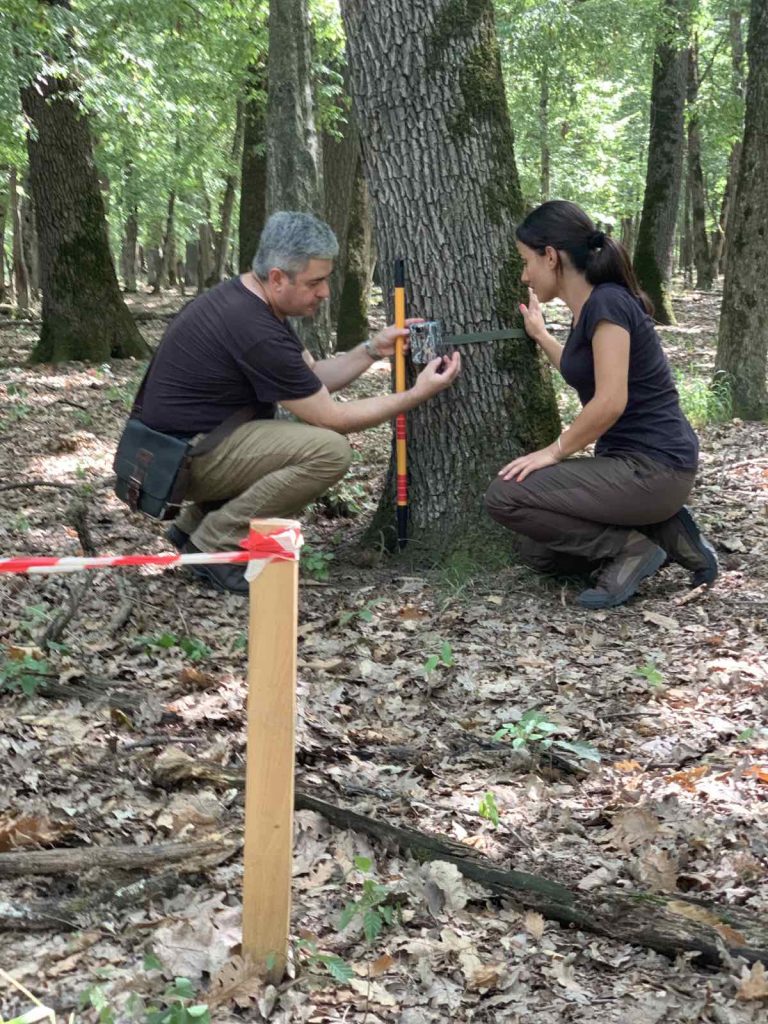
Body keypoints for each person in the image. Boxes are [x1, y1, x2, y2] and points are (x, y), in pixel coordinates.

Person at [137, 210, 461, 594]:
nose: (325, 293)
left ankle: (193, 528)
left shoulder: (250, 301)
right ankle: (218, 543)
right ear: (277, 278)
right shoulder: (254, 327)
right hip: (177, 462)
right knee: (329, 451)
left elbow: (313, 377)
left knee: (297, 440)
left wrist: (373, 349)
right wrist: (415, 395)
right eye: (315, 282)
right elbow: (331, 417)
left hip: (178, 452)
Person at [484, 200, 717, 609]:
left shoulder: (608, 304)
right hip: (636, 468)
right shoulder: (589, 309)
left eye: (526, 261)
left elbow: (610, 400)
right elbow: (584, 371)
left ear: (551, 256)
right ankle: (667, 529)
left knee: (505, 496)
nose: (524, 275)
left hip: (654, 467)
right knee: (538, 553)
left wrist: (553, 451)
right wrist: (541, 336)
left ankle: (632, 549)